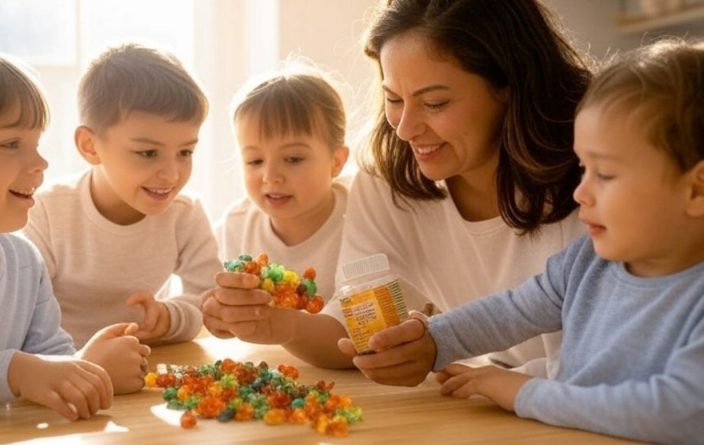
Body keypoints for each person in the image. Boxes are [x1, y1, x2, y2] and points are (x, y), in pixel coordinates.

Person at [346, 39, 704, 444]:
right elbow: (510, 311)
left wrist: (522, 391)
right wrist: (433, 340)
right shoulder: (586, 262)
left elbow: (674, 413)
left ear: (697, 190)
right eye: (583, 168)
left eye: (604, 174)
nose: (580, 193)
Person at [202, 0, 590, 371]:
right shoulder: (390, 177)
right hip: (482, 400)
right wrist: (278, 325)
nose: (405, 129)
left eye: (435, 103)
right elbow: (357, 330)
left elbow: (611, 358)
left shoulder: (592, 174)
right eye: (393, 99)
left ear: (508, 84)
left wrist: (498, 381)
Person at [0, 44, 149, 421]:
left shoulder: (23, 261)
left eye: (36, 144)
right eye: (11, 144)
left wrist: (87, 366)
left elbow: (49, 362)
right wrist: (14, 371)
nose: (40, 163)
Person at [23, 44, 222, 347]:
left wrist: (169, 318)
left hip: (145, 367)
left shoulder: (184, 213)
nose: (171, 174)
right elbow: (26, 321)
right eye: (148, 153)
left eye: (185, 152)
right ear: (90, 146)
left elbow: (208, 301)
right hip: (64, 371)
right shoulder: (46, 211)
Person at [213, 68, 350, 311]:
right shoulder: (235, 227)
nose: (270, 177)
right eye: (255, 161)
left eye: (293, 159)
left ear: (336, 161)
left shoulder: (361, 219)